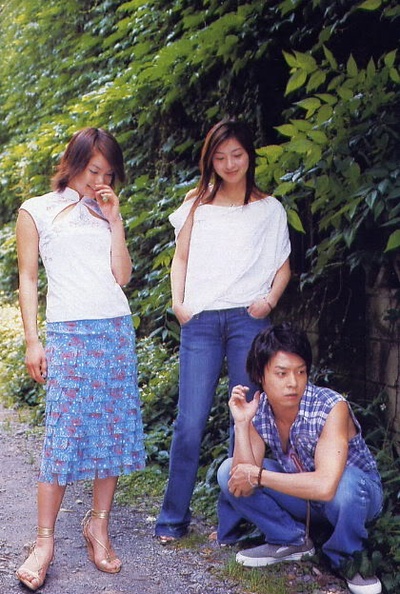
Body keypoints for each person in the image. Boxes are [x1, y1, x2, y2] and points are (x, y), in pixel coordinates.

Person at [15, 127, 146, 591]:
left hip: (114, 329)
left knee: (111, 432)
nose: (100, 181)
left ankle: (99, 526)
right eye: (93, 171)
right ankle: (43, 543)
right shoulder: (36, 210)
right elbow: (28, 279)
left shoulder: (105, 210)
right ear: (73, 162)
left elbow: (122, 277)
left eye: (108, 174)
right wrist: (33, 341)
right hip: (67, 333)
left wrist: (115, 220)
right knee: (62, 437)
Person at [154, 119, 291, 542]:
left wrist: (268, 302)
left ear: (249, 155)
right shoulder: (197, 205)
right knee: (189, 422)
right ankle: (172, 519)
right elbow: (180, 259)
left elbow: (283, 267)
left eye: (237, 155)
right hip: (201, 322)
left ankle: (230, 526)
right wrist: (179, 304)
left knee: (243, 421)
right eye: (220, 157)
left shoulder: (269, 209)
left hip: (249, 320)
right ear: (209, 161)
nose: (230, 164)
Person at [217, 323, 383, 594]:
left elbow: (326, 486)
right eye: (281, 373)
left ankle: (349, 557)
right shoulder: (260, 409)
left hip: (354, 497)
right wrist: (242, 424)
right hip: (305, 495)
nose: (293, 383)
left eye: (301, 372)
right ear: (260, 374)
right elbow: (241, 483)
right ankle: (291, 540)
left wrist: (258, 476)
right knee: (227, 472)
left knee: (347, 483)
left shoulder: (331, 407)